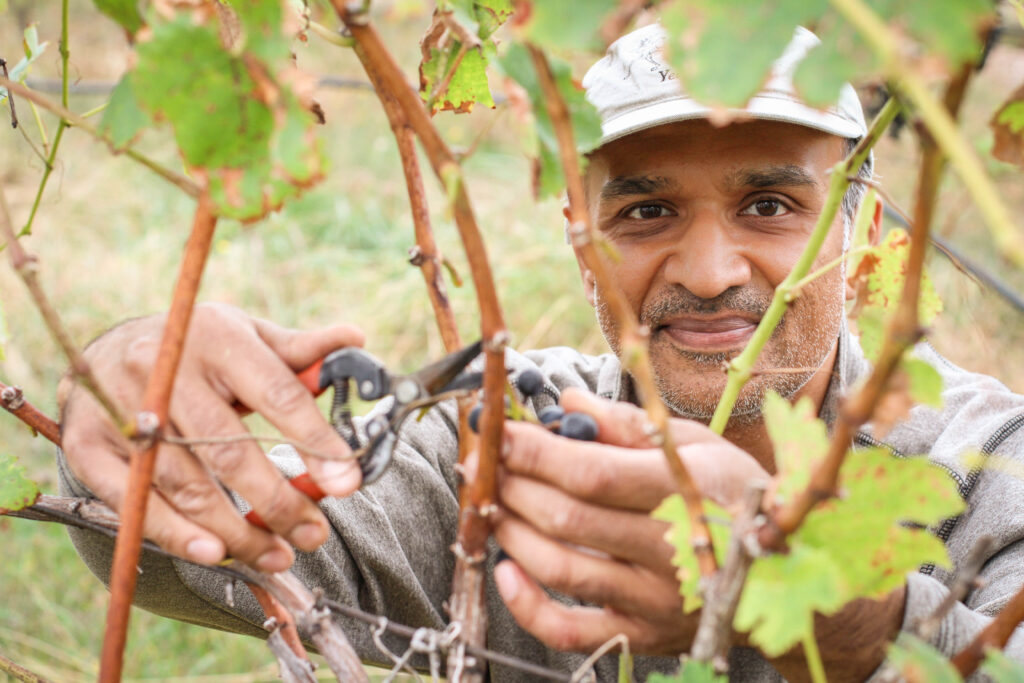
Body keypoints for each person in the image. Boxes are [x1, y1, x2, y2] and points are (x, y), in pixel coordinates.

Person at [56, 22, 1024, 682]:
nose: (710, 267)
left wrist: (849, 618)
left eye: (768, 205)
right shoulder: (507, 449)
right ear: (578, 239)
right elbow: (168, 542)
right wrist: (125, 403)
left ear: (857, 227)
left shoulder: (986, 462)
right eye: (645, 211)